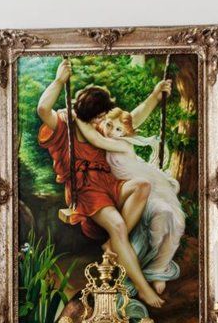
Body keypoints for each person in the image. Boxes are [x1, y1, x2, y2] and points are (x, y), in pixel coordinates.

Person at [36, 59, 171, 309]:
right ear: (90, 114)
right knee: (118, 226)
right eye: (99, 116)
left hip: (110, 183)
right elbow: (43, 109)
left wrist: (155, 96)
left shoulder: (100, 124)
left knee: (142, 185)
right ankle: (143, 289)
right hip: (87, 191)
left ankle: (112, 243)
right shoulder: (65, 123)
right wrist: (58, 81)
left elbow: (131, 120)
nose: (102, 120)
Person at [76, 108, 186, 293]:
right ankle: (150, 268)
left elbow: (97, 139)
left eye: (118, 129)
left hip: (148, 190)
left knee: (173, 219)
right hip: (130, 191)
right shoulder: (103, 140)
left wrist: (76, 116)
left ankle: (158, 269)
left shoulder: (121, 144)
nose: (112, 132)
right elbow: (95, 138)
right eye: (109, 125)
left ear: (126, 132)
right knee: (163, 215)